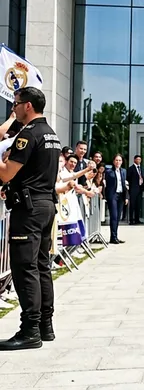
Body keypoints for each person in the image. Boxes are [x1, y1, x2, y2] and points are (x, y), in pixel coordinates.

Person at [0, 88, 60, 350]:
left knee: (26, 269)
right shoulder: (51, 135)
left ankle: (29, 330)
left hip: (30, 209)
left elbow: (6, 173)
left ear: (28, 106)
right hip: (45, 205)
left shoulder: (29, 134)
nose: (14, 108)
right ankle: (45, 326)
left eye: (16, 104)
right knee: (42, 267)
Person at [104, 154, 128, 244]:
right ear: (113, 161)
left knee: (118, 217)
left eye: (120, 160)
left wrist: (126, 197)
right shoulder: (109, 172)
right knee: (113, 216)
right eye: (116, 160)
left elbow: (125, 185)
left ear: (122, 162)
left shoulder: (124, 171)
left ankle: (115, 236)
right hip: (113, 195)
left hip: (121, 195)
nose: (118, 162)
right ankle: (113, 237)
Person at [128, 155, 144, 225]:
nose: (138, 161)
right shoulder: (131, 168)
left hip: (139, 188)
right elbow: (128, 178)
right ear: (134, 160)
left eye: (139, 159)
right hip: (133, 189)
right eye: (137, 159)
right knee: (132, 205)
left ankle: (137, 219)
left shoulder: (141, 168)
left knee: (138, 205)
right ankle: (131, 220)